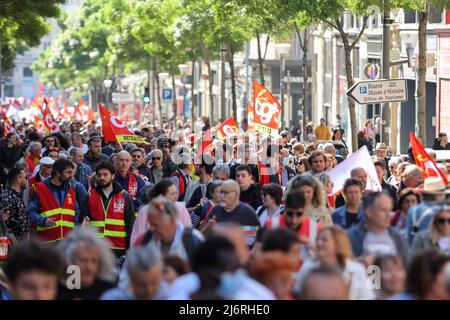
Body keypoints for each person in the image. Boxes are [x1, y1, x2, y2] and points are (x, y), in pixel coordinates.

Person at [295, 225, 375, 300]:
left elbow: (367, 297)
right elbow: (298, 293)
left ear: (338, 243)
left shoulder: (357, 269)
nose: (319, 243)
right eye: (317, 239)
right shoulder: (308, 266)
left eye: (324, 240)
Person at [88, 161, 135, 256]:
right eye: (99, 175)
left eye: (105, 175)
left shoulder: (124, 196)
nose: (102, 178)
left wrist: (129, 247)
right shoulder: (90, 195)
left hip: (119, 248)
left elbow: (130, 223)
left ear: (113, 176)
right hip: (96, 248)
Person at [26, 159, 79, 242]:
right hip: (47, 242)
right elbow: (30, 212)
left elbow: (76, 212)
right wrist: (42, 220)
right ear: (58, 173)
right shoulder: (40, 188)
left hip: (67, 242)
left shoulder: (70, 189)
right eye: (68, 172)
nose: (71, 175)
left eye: (72, 172)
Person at [347, 192, 407, 265]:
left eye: (390, 210)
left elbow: (405, 266)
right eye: (383, 210)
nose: (389, 215)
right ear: (368, 211)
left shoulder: (397, 237)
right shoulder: (351, 237)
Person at [260, 190, 321, 260]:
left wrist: (312, 248)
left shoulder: (316, 228)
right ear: (284, 210)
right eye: (290, 214)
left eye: (299, 214)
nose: (294, 220)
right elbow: (260, 253)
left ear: (304, 210)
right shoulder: (271, 224)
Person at [57, 227, 116, 300]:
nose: (89, 267)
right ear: (68, 260)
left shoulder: (109, 294)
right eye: (83, 260)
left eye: (94, 261)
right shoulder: (53, 290)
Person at [131, 179, 192, 245]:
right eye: (172, 194)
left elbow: (188, 234)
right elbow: (136, 238)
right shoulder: (145, 211)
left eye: (176, 193)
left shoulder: (181, 210)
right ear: (161, 196)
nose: (176, 197)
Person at [202, 180, 260, 247]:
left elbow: (255, 241)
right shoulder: (215, 210)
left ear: (236, 194)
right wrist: (208, 227)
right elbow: (203, 237)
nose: (222, 196)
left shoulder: (248, 213)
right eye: (221, 192)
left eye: (226, 192)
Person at [407, 177, 448, 246]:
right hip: (431, 253)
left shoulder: (412, 209)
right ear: (439, 195)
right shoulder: (439, 211)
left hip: (413, 252)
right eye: (443, 194)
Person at [0, 168, 30, 241]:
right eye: (26, 178)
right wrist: (14, 243)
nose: (27, 180)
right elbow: (3, 225)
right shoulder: (7, 197)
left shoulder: (16, 195)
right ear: (19, 180)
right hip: (12, 246)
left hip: (20, 243)